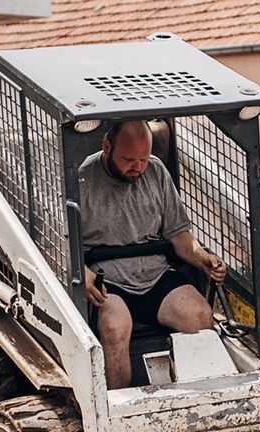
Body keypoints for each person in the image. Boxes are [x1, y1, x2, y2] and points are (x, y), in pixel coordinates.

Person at [78, 119, 226, 387]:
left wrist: (202, 257)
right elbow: (58, 243)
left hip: (154, 274)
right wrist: (81, 272)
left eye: (143, 159)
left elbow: (179, 237)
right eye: (129, 159)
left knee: (201, 316)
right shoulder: (81, 178)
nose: (137, 167)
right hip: (108, 281)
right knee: (115, 327)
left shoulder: (156, 171)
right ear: (107, 146)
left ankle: (200, 401)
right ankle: (118, 410)